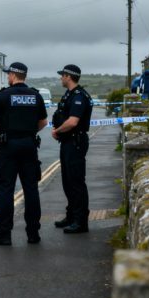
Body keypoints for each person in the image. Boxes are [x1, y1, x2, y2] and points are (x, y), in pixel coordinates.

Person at [0, 62, 48, 245]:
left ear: (13, 75)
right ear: (25, 76)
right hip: (29, 146)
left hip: (8, 146)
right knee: (31, 190)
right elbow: (43, 122)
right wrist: (29, 133)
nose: (7, 77)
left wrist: (1, 134)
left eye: (8, 74)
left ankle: (4, 234)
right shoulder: (36, 96)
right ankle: (33, 234)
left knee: (6, 190)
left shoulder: (4, 96)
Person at [51, 64, 93, 234]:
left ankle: (81, 221)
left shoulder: (79, 96)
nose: (61, 78)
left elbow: (73, 121)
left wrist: (57, 130)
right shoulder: (69, 94)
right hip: (68, 142)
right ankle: (71, 216)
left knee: (76, 182)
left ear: (69, 76)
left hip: (75, 142)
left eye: (62, 75)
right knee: (67, 181)